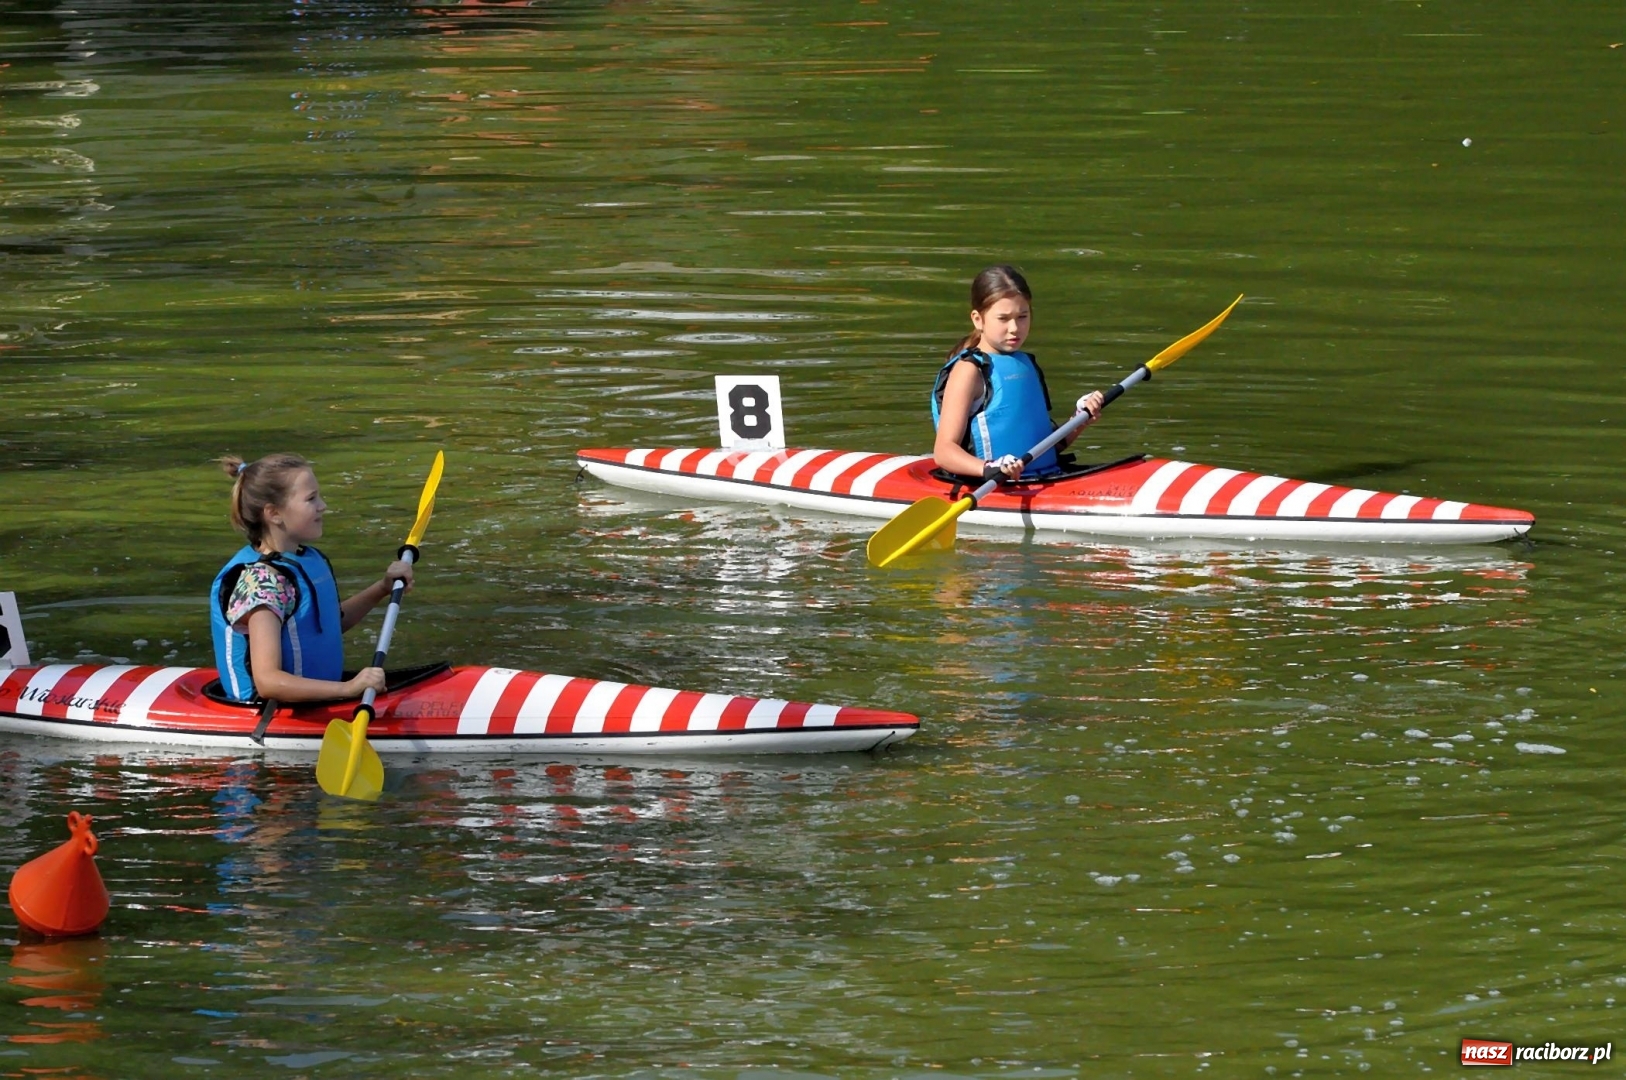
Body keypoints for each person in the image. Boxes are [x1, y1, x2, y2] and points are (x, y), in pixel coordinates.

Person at [209, 453, 414, 704]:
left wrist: (382, 588)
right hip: (273, 714)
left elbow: (329, 625)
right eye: (311, 499)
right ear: (274, 513)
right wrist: (349, 689)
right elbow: (268, 682)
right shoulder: (261, 583)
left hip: (319, 701)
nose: (322, 506)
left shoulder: (302, 558)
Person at [931, 265, 1106, 482]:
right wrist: (989, 468)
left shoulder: (1026, 365)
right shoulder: (969, 371)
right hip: (991, 485)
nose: (1015, 328)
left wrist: (1079, 420)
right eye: (1003, 319)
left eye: (1022, 316)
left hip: (1045, 477)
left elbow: (1046, 448)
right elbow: (944, 452)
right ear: (978, 319)